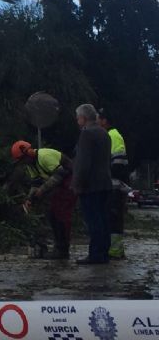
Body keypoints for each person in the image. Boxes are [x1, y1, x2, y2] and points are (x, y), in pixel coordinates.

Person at [11, 141, 76, 259]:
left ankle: (63, 249)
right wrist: (29, 199)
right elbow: (35, 183)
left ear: (27, 154)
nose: (22, 163)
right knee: (52, 214)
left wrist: (42, 190)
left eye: (22, 160)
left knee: (61, 216)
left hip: (69, 183)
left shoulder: (44, 156)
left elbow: (60, 174)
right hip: (58, 186)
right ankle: (58, 247)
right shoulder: (31, 165)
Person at [72, 104, 112, 265]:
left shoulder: (87, 134)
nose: (77, 120)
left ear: (83, 118)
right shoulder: (104, 133)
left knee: (93, 220)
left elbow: (83, 163)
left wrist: (77, 183)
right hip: (105, 182)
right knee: (103, 219)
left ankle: (95, 254)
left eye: (78, 117)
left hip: (90, 184)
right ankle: (103, 253)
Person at [98, 108, 131, 259]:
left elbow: (118, 164)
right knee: (111, 217)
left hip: (114, 185)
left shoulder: (112, 136)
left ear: (104, 121)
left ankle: (115, 251)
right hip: (112, 184)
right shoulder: (111, 135)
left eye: (98, 118)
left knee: (113, 217)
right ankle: (113, 249)